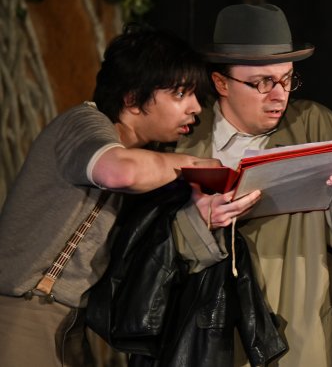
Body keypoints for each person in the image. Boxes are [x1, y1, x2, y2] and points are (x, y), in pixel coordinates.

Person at [171, 3, 332, 367]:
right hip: (207, 332)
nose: (280, 95)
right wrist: (201, 221)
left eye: (287, 79)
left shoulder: (317, 127)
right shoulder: (186, 137)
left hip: (293, 329)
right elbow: (158, 243)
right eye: (262, 83)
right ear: (221, 83)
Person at [0, 24, 212, 367]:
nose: (196, 108)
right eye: (179, 94)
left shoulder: (148, 156)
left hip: (68, 321)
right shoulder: (82, 123)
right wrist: (195, 165)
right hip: (23, 312)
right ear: (132, 98)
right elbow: (119, 172)